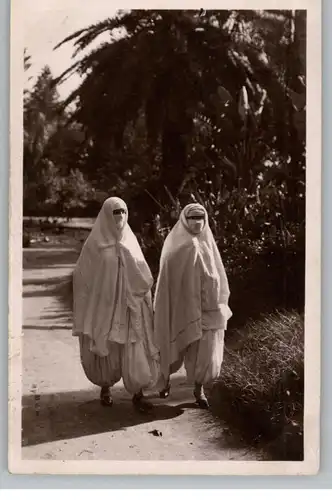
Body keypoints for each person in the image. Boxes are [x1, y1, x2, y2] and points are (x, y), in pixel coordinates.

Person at [72, 196, 159, 413]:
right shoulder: (95, 244)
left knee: (135, 345)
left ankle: (138, 393)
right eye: (115, 212)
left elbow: (143, 272)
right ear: (106, 214)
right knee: (107, 347)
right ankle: (105, 387)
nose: (119, 216)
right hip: (105, 307)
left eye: (122, 211)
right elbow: (83, 276)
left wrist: (144, 298)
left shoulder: (131, 241)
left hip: (130, 306)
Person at [153, 203, 232, 409]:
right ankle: (165, 379)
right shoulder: (178, 246)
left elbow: (219, 276)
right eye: (192, 218)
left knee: (204, 352)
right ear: (184, 220)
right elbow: (169, 279)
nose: (197, 222)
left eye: (200, 217)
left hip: (209, 308)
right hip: (185, 307)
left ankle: (199, 389)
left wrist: (218, 299)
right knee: (176, 344)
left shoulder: (207, 244)